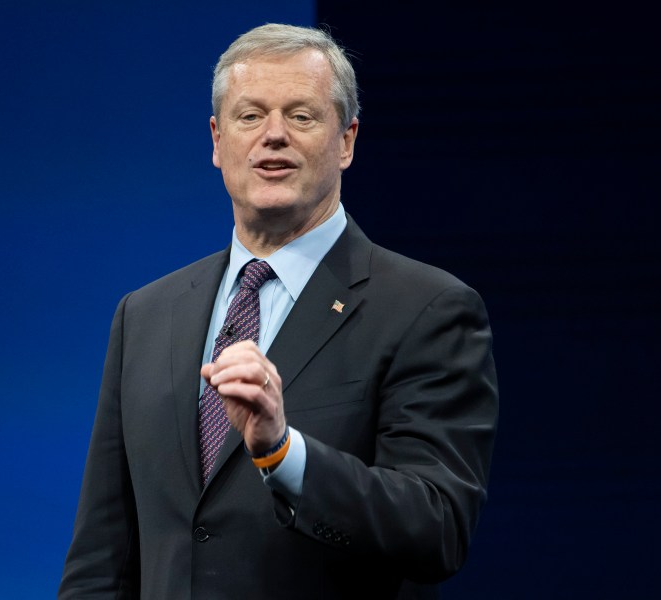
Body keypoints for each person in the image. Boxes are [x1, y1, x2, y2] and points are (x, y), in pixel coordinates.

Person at [58, 23, 497, 600]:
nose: (273, 136)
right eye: (250, 116)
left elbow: (437, 527)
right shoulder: (145, 315)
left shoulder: (427, 309)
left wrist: (284, 452)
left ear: (347, 140)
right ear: (217, 141)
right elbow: (102, 557)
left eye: (302, 116)